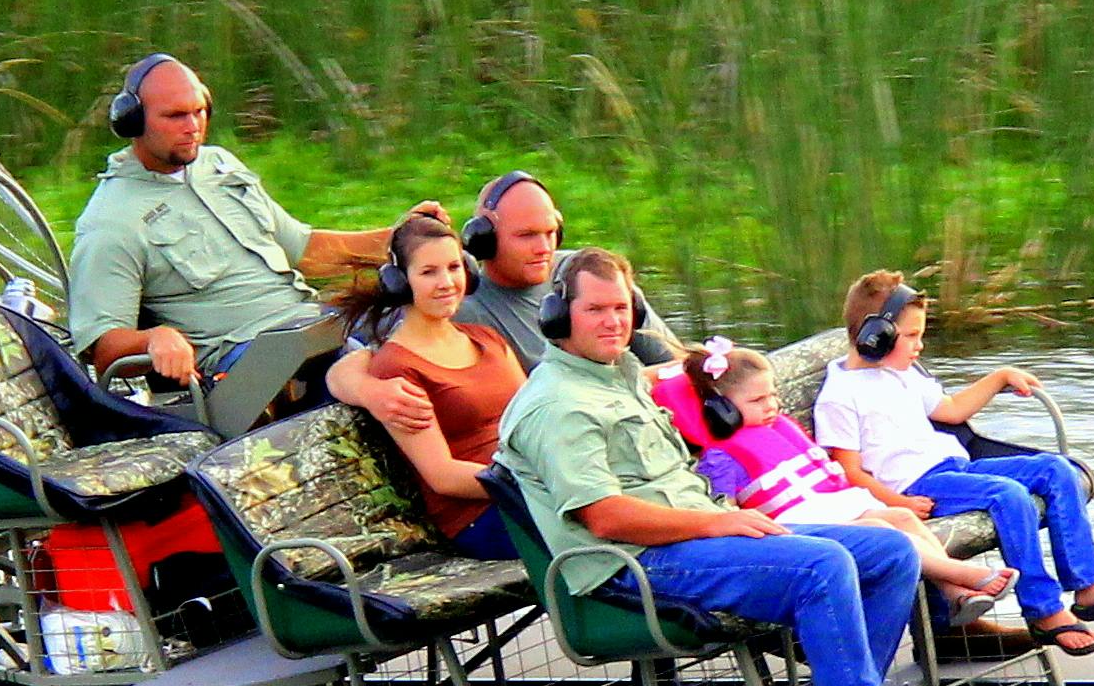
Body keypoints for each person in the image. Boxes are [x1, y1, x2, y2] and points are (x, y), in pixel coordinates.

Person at [495, 249, 981, 686]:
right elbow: (605, 517)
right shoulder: (558, 404)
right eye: (594, 309)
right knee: (823, 566)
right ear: (559, 316)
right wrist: (717, 521)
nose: (613, 321)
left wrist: (723, 516)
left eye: (622, 307)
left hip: (695, 535)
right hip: (632, 563)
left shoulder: (619, 374)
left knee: (890, 550)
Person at [63, 53, 439, 419]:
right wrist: (153, 339)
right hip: (247, 360)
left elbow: (304, 249)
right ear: (132, 122)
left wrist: (404, 239)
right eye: (176, 116)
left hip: (311, 324)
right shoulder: (111, 220)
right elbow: (104, 347)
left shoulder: (218, 165)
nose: (193, 125)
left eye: (199, 111)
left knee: (442, 322)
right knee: (378, 372)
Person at [812, 270, 1094, 658]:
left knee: (1057, 470)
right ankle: (1043, 609)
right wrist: (895, 503)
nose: (920, 345)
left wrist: (1000, 376)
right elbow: (848, 471)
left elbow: (951, 411)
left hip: (956, 467)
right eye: (912, 336)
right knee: (1008, 494)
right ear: (876, 335)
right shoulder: (840, 395)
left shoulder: (901, 373)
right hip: (916, 486)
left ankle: (1089, 587)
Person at [666, 339, 1010, 625]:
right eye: (756, 401)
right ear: (720, 408)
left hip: (827, 503)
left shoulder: (778, 430)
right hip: (796, 520)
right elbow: (724, 507)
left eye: (773, 396)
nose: (771, 406)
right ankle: (961, 573)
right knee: (881, 528)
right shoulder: (721, 456)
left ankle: (955, 593)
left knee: (902, 518)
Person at [329, 168, 670, 433]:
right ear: (483, 239)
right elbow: (358, 351)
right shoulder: (457, 305)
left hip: (652, 420)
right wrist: (366, 390)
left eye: (550, 233)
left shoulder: (586, 274)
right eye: (526, 236)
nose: (543, 248)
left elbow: (673, 357)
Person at [334, 213, 526, 558]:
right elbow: (443, 475)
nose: (447, 282)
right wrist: (534, 483)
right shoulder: (395, 368)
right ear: (400, 282)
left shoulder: (488, 339)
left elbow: (535, 419)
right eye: (428, 272)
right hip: (482, 514)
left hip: (534, 488)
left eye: (454, 267)